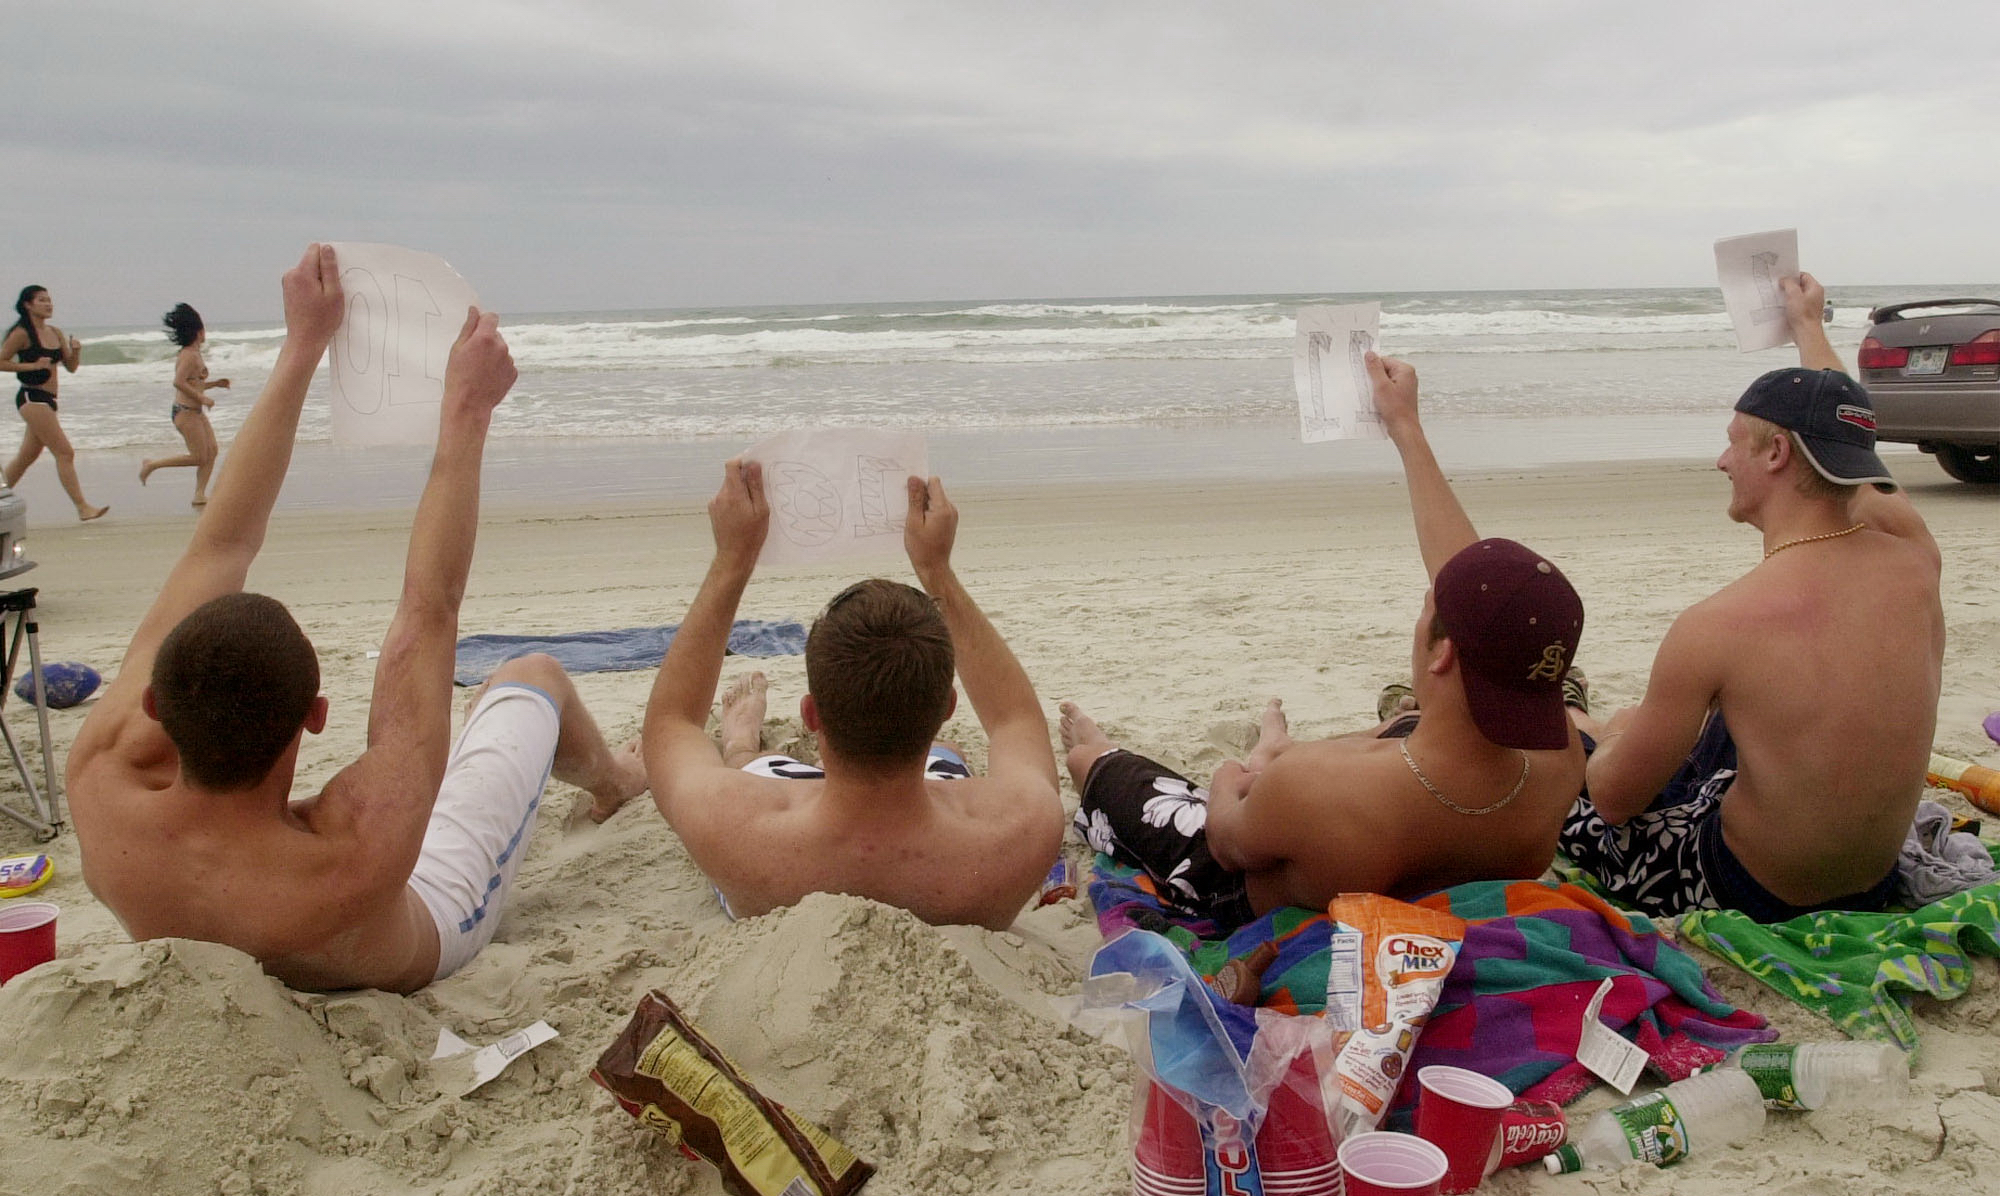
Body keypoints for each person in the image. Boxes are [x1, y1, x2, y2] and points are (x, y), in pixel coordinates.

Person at [68, 245, 647, 992]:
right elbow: (428, 613)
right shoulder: (348, 855)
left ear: (153, 703)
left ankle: (596, 770)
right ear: (314, 717)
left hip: (230, 896)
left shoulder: (101, 781)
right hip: (432, 918)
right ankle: (616, 782)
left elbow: (221, 543)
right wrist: (467, 411)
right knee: (531, 676)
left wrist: (302, 345)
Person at [1062, 353, 1587, 926]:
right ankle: (1339, 737)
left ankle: (1107, 754)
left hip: (1249, 885)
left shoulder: (1317, 787)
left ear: (1442, 652)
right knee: (1405, 728)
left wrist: (1249, 766)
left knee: (1098, 766)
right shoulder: (1559, 758)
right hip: (1426, 816)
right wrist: (1405, 428)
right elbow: (1477, 594)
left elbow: (1226, 835)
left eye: (1427, 606)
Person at [1561, 273, 1942, 922]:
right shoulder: (1914, 555)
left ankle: (1577, 715)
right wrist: (1808, 326)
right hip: (1870, 882)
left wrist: (1622, 735)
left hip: (1754, 888)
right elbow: (1847, 440)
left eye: (1734, 438)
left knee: (1577, 772)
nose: (1720, 459)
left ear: (1775, 453)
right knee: (1727, 717)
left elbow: (1615, 799)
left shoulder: (1720, 625)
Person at [644, 462, 1065, 929]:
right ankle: (926, 748)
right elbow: (1014, 721)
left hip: (783, 852)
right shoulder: (1025, 827)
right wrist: (936, 569)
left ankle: (742, 745)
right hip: (953, 849)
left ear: (811, 714)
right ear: (947, 707)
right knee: (947, 757)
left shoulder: (730, 821)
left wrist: (733, 556)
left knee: (748, 767)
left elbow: (672, 723)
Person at [2, 285, 108, 520]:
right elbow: (2, 361)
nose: (49, 304)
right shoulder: (21, 333)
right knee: (65, 452)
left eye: (49, 300)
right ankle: (82, 507)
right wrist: (31, 366)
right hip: (31, 398)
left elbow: (71, 367)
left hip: (49, 400)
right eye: (42, 300)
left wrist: (76, 351)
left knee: (26, 457)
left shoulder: (56, 332)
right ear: (28, 305)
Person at [140, 302, 231, 506]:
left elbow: (194, 384)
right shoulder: (189, 355)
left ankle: (199, 494)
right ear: (198, 332)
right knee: (199, 456)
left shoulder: (195, 354)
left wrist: (215, 384)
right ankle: (152, 464)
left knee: (212, 451)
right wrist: (202, 398)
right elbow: (178, 382)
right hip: (185, 412)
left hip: (195, 412)